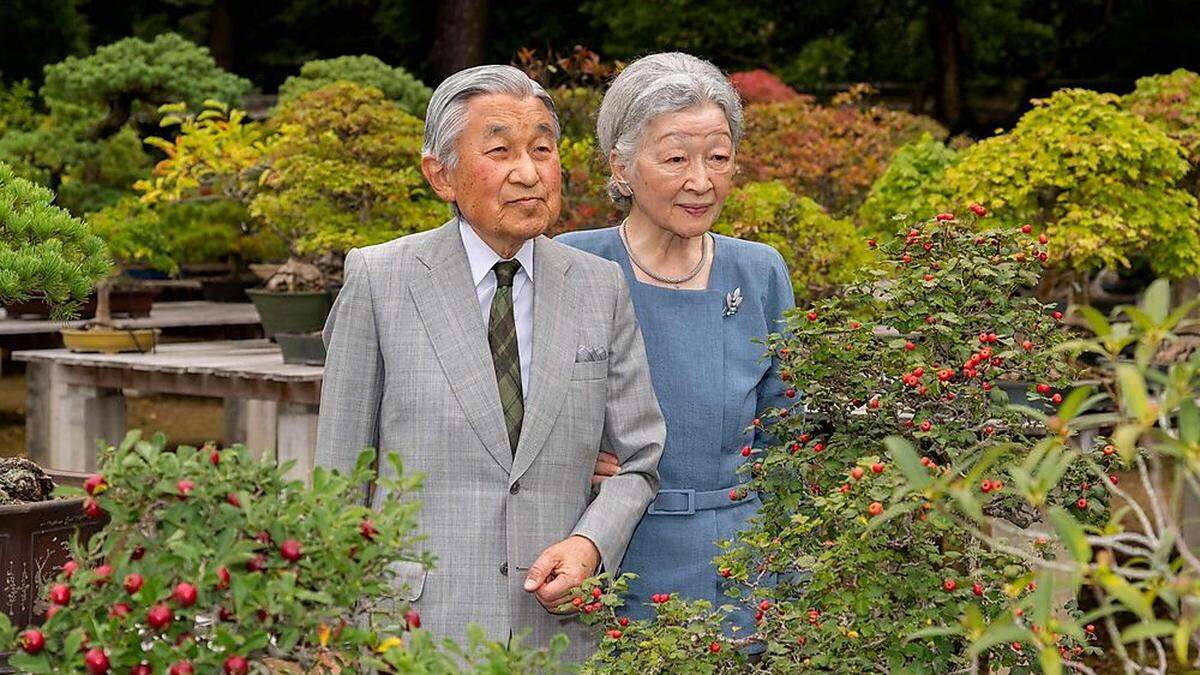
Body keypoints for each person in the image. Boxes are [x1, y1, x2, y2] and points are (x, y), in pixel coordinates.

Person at [315, 64, 665, 663]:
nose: (528, 173)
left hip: (556, 634)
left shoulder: (597, 286)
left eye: (542, 149)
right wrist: (328, 631)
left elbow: (639, 459)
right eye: (500, 151)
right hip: (414, 629)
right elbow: (340, 480)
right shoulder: (381, 281)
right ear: (441, 174)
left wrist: (588, 544)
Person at [556, 52, 795, 633]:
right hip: (612, 557)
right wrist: (567, 455)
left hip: (744, 564)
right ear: (621, 165)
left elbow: (790, 429)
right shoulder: (574, 266)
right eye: (676, 159)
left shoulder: (758, 271)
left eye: (718, 158)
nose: (701, 181)